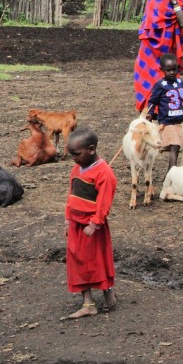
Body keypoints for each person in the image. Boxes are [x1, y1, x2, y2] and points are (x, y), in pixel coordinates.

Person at [62, 128, 117, 319]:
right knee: (77, 261)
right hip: (76, 224)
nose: (74, 159)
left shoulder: (104, 173)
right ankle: (88, 303)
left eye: (76, 154)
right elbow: (72, 195)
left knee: (97, 260)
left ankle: (107, 289)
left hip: (91, 226)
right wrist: (68, 220)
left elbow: (104, 202)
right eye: (72, 155)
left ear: (91, 150)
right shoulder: (77, 169)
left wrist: (94, 224)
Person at [134, 0, 183, 112]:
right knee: (146, 79)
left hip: (169, 49)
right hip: (150, 47)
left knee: (168, 79)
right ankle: (148, 115)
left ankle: (166, 114)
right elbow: (149, 20)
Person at [146, 53, 183, 169]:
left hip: (179, 122)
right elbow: (153, 101)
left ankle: (177, 172)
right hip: (167, 123)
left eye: (174, 69)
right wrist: (150, 113)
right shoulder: (160, 85)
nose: (172, 73)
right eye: (168, 70)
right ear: (162, 70)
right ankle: (170, 173)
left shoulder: (180, 83)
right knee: (175, 145)